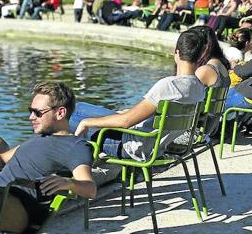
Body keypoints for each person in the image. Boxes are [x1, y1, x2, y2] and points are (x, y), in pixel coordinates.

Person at [0, 81, 96, 234]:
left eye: (37, 113)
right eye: (30, 111)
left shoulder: (74, 146)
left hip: (19, 206)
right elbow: (1, 158)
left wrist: (69, 183)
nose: (30, 117)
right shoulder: (38, 138)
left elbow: (90, 188)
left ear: (60, 113)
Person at [74, 29, 207, 161]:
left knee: (74, 113)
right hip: (155, 145)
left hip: (131, 146)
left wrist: (86, 122)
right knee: (82, 108)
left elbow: (125, 122)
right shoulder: (200, 89)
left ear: (176, 51)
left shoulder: (169, 85)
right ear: (201, 56)